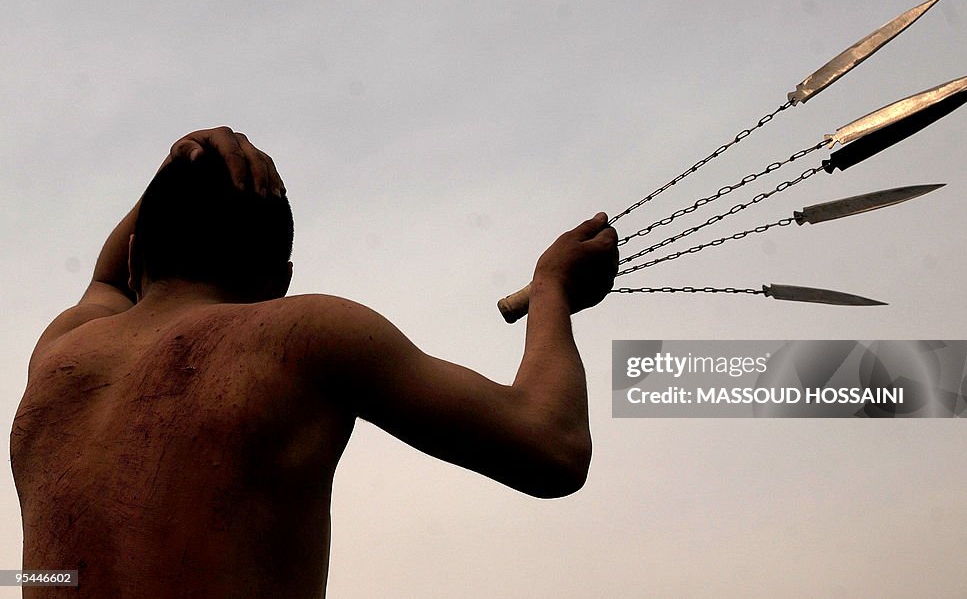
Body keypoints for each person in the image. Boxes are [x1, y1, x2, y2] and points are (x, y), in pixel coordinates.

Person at [11, 127, 618, 597]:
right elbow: (552, 446)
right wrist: (551, 291)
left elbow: (107, 274)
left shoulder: (62, 353)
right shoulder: (302, 335)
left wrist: (183, 159)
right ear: (280, 280)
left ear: (140, 248)